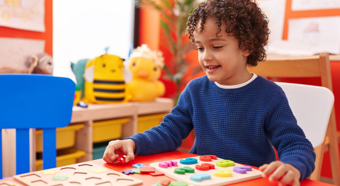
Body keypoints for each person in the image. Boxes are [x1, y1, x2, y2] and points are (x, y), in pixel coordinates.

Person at [103, 0, 315, 185]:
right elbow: (169, 131)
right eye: (200, 48)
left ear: (247, 46)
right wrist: (132, 142)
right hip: (199, 178)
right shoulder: (195, 90)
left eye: (216, 46)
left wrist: (293, 166)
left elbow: (295, 143)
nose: (205, 57)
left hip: (249, 181)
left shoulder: (269, 95)